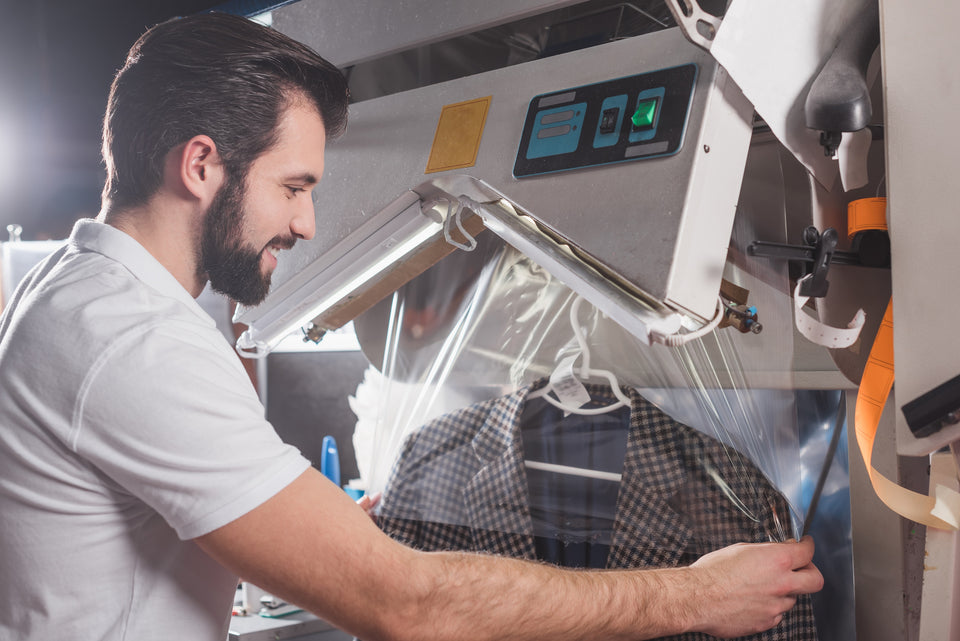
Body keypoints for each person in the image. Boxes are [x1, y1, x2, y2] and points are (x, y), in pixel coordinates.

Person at [0, 12, 823, 641]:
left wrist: (320, 528)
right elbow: (405, 604)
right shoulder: (135, 343)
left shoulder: (82, 296)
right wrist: (698, 594)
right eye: (293, 186)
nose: (310, 223)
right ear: (202, 164)